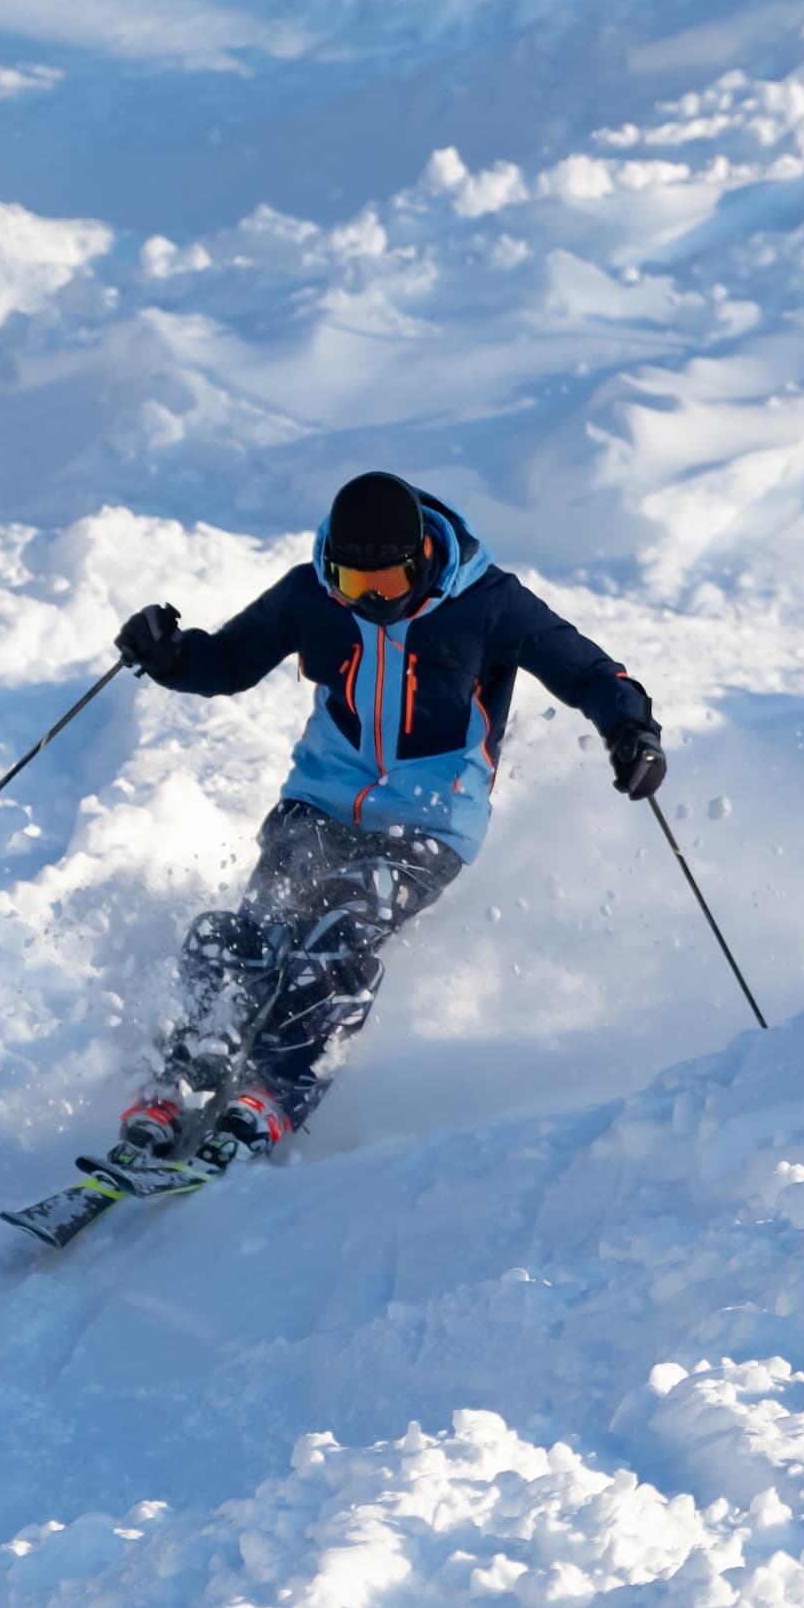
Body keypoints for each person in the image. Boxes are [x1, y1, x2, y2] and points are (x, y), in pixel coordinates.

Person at [113, 470, 664, 1158]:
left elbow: (589, 672)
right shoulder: (312, 593)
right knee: (254, 932)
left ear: (422, 563)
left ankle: (275, 1088)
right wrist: (170, 656)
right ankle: (188, 1071)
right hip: (317, 799)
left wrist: (631, 728)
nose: (369, 601)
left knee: (342, 919)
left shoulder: (489, 603)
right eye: (352, 585)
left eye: (386, 587)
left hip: (429, 821)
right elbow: (227, 661)